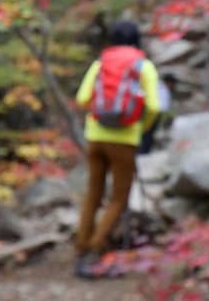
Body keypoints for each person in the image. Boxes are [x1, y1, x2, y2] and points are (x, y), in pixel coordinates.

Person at [74, 19, 159, 278]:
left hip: (95, 137)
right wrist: (141, 129)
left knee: (93, 194)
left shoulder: (100, 64)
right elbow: (154, 106)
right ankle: (95, 248)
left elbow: (82, 98)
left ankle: (81, 245)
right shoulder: (143, 66)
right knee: (118, 199)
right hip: (125, 140)